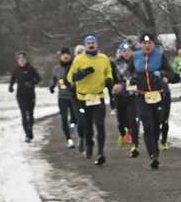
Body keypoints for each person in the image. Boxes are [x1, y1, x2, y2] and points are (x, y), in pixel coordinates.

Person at [68, 34, 114, 165]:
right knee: (87, 126)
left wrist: (109, 79)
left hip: (98, 97)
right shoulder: (79, 59)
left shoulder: (103, 58)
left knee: (100, 125)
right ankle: (89, 144)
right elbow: (70, 78)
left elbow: (108, 71)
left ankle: (101, 153)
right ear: (85, 45)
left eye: (93, 42)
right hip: (83, 98)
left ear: (97, 44)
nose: (91, 45)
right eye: (88, 43)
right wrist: (82, 73)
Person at [132, 33, 173, 169]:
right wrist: (132, 78)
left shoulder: (160, 56)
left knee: (157, 124)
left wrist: (162, 74)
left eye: (149, 43)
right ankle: (153, 154)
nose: (147, 45)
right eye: (144, 43)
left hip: (159, 96)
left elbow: (171, 73)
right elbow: (127, 72)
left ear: (153, 44)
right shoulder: (136, 56)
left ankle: (155, 148)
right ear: (141, 45)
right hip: (142, 96)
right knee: (148, 125)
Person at [112, 41, 140, 155]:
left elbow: (136, 76)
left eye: (128, 51)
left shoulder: (136, 62)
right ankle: (123, 133)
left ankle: (135, 145)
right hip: (120, 96)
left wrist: (123, 84)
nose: (126, 53)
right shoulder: (115, 63)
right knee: (121, 121)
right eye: (124, 51)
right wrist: (113, 85)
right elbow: (112, 78)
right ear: (120, 53)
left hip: (133, 95)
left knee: (133, 120)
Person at [48, 47, 79, 148]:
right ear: (60, 57)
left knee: (75, 117)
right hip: (62, 97)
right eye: (63, 55)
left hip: (73, 96)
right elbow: (54, 79)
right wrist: (52, 87)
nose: (65, 56)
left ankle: (73, 125)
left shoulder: (75, 66)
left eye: (67, 54)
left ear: (70, 56)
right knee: (64, 118)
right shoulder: (56, 69)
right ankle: (69, 139)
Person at [9, 51, 41, 142]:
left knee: (30, 114)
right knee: (23, 114)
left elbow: (38, 79)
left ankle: (30, 129)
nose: (21, 61)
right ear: (17, 61)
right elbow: (12, 79)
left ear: (26, 60)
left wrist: (31, 83)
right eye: (19, 60)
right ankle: (27, 134)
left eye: (23, 59)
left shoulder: (31, 69)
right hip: (20, 95)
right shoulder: (16, 70)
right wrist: (10, 87)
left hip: (30, 95)